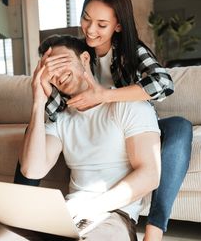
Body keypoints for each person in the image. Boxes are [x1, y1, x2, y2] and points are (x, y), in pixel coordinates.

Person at [37, 0, 193, 240]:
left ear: (118, 25)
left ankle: (154, 230)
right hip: (94, 127)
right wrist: (42, 90)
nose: (90, 29)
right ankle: (21, 210)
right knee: (33, 131)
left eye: (101, 24)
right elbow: (57, 109)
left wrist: (104, 96)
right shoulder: (78, 52)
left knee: (181, 127)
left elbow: (163, 83)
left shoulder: (131, 49)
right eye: (86, 19)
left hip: (132, 124)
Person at [15, 34, 161, 241]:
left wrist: (89, 208)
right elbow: (32, 170)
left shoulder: (128, 104)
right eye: (51, 70)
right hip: (66, 215)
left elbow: (149, 175)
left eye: (62, 62)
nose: (58, 73)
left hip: (111, 216)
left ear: (84, 59)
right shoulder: (60, 120)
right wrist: (38, 100)